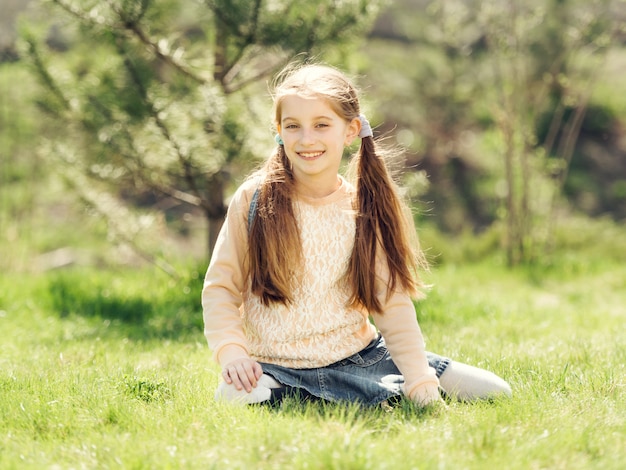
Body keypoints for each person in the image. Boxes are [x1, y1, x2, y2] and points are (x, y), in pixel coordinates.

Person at [202, 63, 511, 407]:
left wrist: (420, 378)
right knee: (234, 395)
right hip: (274, 365)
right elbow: (221, 288)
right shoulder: (253, 198)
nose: (307, 139)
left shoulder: (362, 205)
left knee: (494, 390)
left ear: (349, 131)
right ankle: (306, 395)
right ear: (279, 130)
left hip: (360, 359)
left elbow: (390, 302)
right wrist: (233, 355)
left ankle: (342, 394)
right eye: (293, 126)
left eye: (321, 125)